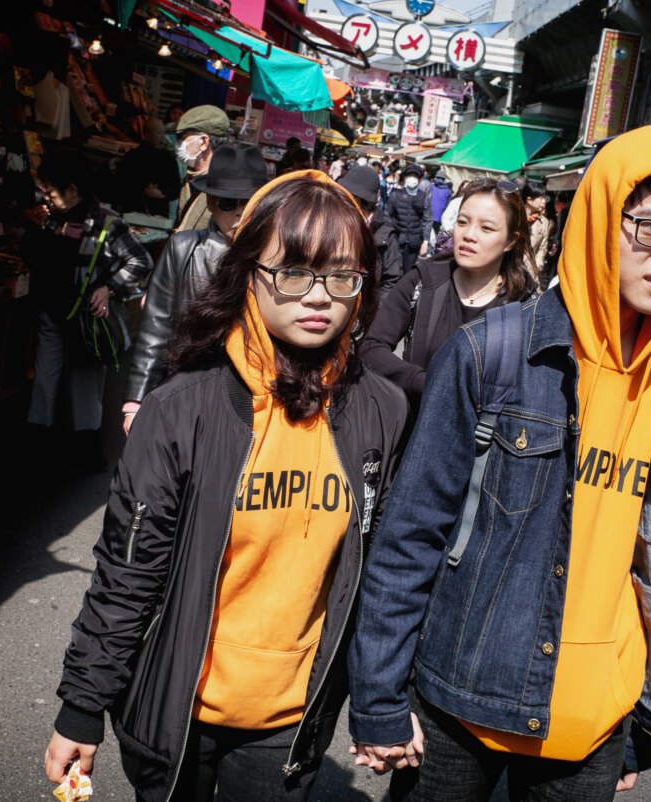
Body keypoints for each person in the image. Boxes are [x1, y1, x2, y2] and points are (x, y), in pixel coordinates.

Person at [347, 125, 651, 800]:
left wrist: (645, 721)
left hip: (595, 718)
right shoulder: (489, 354)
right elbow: (410, 532)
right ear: (596, 221)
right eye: (650, 227)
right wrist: (379, 694)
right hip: (458, 698)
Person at [43, 170, 410, 801]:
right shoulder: (181, 408)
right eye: (292, 272)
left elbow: (382, 575)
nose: (318, 295)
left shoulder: (380, 410)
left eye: (342, 275)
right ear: (247, 271)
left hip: (290, 721)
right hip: (174, 707)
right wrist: (82, 705)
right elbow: (127, 573)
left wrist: (386, 701)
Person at [122, 144, 269, 434]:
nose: (239, 213)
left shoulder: (278, 254)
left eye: (248, 203)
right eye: (228, 203)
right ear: (211, 204)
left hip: (255, 399)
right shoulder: (184, 248)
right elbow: (155, 330)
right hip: (187, 391)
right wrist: (135, 403)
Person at [26, 149, 152, 471]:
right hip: (52, 316)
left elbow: (140, 260)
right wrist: (35, 231)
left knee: (85, 391)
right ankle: (38, 447)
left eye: (52, 191)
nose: (47, 196)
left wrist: (108, 289)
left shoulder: (107, 223)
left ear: (72, 189)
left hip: (87, 323)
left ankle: (86, 453)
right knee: (44, 383)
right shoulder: (52, 218)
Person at [359, 178, 535, 406]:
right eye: (463, 222)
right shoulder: (423, 280)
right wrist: (424, 382)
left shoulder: (524, 304)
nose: (469, 235)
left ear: (511, 241)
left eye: (486, 228)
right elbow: (370, 346)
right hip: (415, 426)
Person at [338, 162, 403, 304]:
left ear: (356, 198)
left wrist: (377, 311)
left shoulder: (385, 234)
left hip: (369, 307)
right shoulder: (337, 222)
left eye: (345, 195)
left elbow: (392, 279)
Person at [173, 105, 232, 233]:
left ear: (203, 142)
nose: (177, 144)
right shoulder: (190, 178)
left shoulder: (227, 188)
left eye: (183, 138)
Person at [116, 116, 181, 217]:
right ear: (146, 135)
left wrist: (161, 193)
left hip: (159, 214)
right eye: (159, 133)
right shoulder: (133, 156)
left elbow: (176, 189)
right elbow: (122, 182)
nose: (163, 137)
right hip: (133, 210)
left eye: (164, 133)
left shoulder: (169, 159)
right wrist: (143, 189)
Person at [386, 163, 433, 274]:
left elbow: (428, 219)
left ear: (420, 179)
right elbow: (388, 216)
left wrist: (426, 242)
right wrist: (388, 236)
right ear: (405, 178)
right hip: (397, 239)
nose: (412, 179)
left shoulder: (423, 197)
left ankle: (405, 290)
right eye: (410, 175)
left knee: (409, 271)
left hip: (414, 240)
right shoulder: (395, 195)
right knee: (394, 270)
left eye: (415, 176)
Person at [522, 181, 551, 290]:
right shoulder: (515, 217)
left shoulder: (544, 222)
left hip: (531, 274)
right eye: (540, 198)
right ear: (529, 200)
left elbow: (543, 248)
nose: (544, 202)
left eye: (544, 198)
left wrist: (537, 265)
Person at [429, 171, 451, 236]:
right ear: (444, 179)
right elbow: (448, 205)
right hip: (439, 217)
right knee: (435, 235)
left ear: (436, 177)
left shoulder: (431, 186)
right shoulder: (448, 191)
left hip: (429, 215)